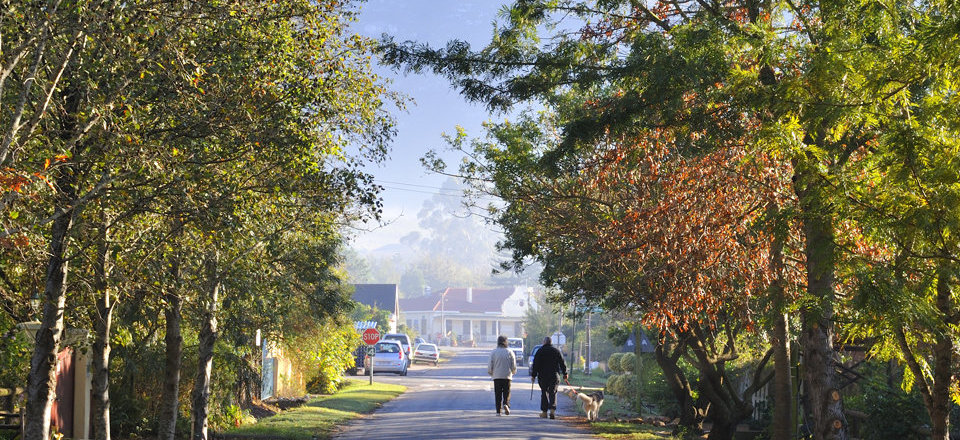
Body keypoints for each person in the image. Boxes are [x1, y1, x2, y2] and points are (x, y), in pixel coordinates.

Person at [530, 336, 567, 419]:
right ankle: (552, 411)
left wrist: (533, 375)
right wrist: (565, 373)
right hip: (554, 375)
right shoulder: (556, 351)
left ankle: (544, 412)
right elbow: (562, 362)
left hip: (543, 376)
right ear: (551, 343)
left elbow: (535, 364)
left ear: (544, 342)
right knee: (552, 392)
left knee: (544, 392)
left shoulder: (540, 351)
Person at [488, 335, 517, 416]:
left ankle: (498, 411)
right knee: (506, 392)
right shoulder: (510, 352)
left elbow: (490, 364)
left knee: (498, 394)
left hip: (497, 376)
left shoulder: (494, 352)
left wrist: (491, 372)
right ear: (506, 342)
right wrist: (513, 371)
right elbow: (513, 365)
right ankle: (506, 404)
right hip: (507, 376)